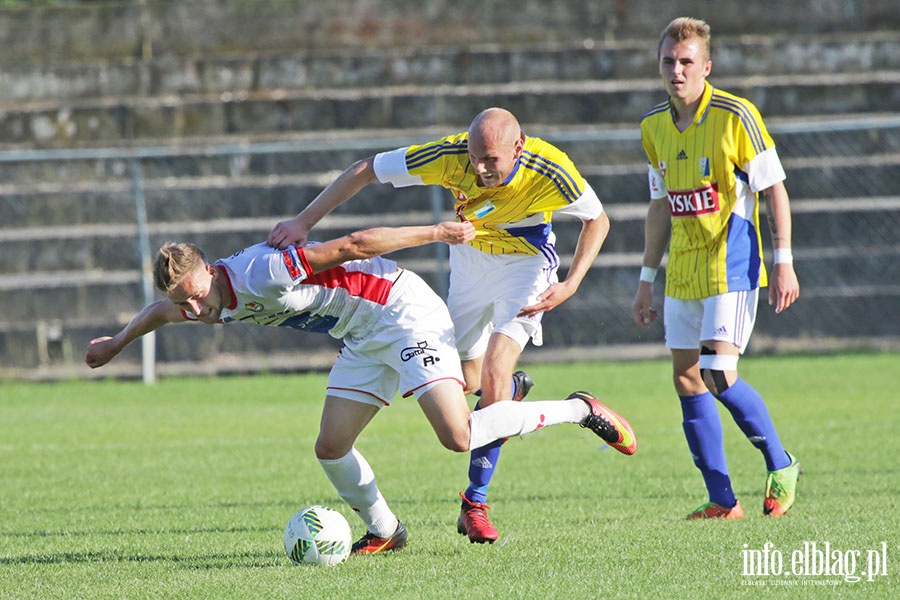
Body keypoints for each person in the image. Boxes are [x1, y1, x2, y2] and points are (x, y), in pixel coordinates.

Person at [86, 221, 637, 554]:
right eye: (185, 302)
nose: (193, 309)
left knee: (458, 435)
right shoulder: (195, 301)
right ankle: (386, 531)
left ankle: (578, 408)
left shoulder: (260, 272)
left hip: (399, 312)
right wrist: (116, 341)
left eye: (196, 296)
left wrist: (438, 233)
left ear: (208, 271)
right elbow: (161, 310)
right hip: (360, 333)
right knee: (330, 445)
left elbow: (351, 245)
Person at [267, 106, 629, 544]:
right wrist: (305, 221)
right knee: (466, 380)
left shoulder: (551, 168)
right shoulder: (449, 155)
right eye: (475, 155)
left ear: (518, 147)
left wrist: (571, 283)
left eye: (490, 159)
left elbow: (598, 219)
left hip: (527, 266)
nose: (478, 168)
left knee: (493, 375)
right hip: (470, 263)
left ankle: (475, 504)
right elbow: (365, 169)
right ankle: (510, 397)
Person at [631, 17, 801, 520]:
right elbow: (660, 206)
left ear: (706, 66)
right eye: (668, 61)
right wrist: (646, 280)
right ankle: (723, 500)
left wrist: (784, 259)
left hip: (732, 263)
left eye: (686, 62)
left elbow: (774, 189)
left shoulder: (735, 115)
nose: (676, 71)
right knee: (687, 378)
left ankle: (781, 462)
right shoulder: (653, 127)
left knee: (719, 375)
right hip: (683, 269)